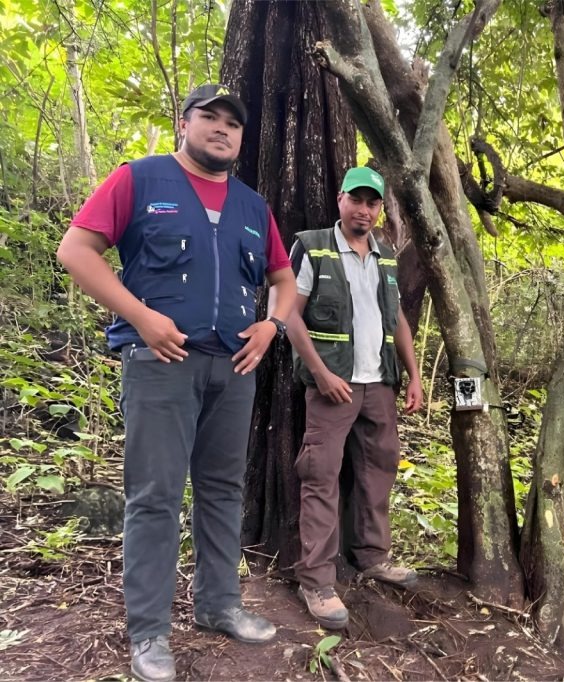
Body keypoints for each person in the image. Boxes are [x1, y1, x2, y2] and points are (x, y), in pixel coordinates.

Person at [56, 84, 297, 682]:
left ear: (241, 137)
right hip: (159, 363)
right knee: (156, 497)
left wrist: (271, 326)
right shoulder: (139, 179)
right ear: (182, 124)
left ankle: (218, 606)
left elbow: (284, 280)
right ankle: (149, 634)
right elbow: (76, 250)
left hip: (233, 368)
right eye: (208, 117)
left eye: (232, 123)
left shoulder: (251, 206)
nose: (222, 129)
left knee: (223, 491)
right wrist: (140, 315)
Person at [286, 166, 424, 630]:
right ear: (340, 199)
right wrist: (321, 374)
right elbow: (289, 313)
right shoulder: (314, 246)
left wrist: (414, 374)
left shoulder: (385, 253)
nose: (364, 210)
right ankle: (316, 581)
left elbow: (397, 318)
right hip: (334, 385)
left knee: (378, 467)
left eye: (373, 203)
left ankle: (372, 556)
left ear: (380, 209)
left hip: (378, 383)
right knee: (321, 475)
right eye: (356, 200)